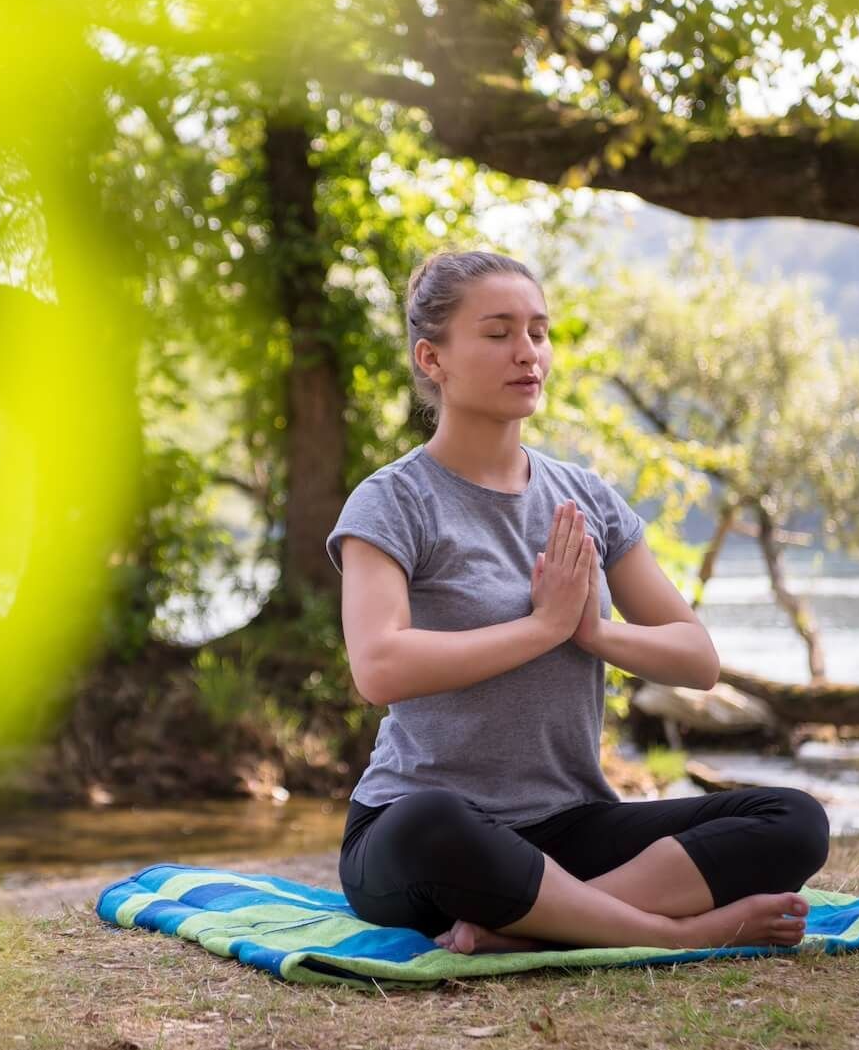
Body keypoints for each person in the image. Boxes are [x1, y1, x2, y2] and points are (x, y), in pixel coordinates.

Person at [328, 249, 830, 954]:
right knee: (429, 823)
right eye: (498, 333)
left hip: (571, 824)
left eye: (538, 331)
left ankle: (531, 928)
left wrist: (591, 632)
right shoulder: (392, 500)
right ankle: (663, 931)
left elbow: (697, 657)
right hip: (428, 832)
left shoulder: (585, 497)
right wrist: (541, 627)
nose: (526, 352)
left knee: (794, 817)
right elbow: (379, 665)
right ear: (431, 358)